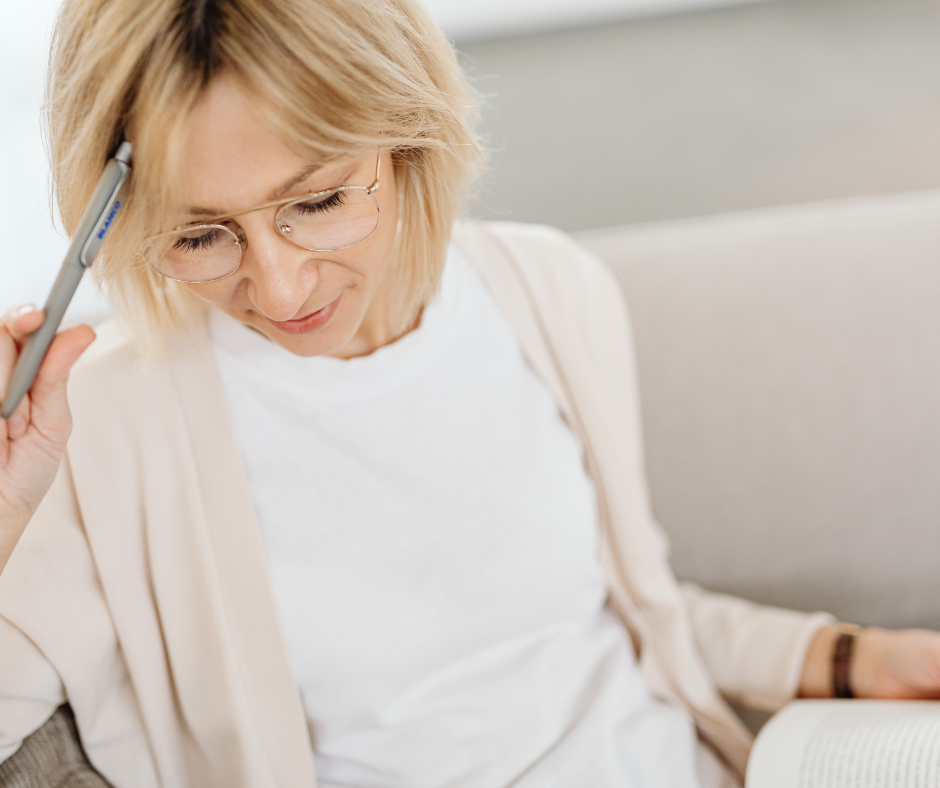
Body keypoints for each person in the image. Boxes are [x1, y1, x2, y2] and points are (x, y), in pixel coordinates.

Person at [2, 1, 940, 786]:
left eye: (321, 201)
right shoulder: (103, 426)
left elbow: (615, 611)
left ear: (409, 138)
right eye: (201, 235)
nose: (280, 288)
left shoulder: (547, 289)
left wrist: (847, 658)